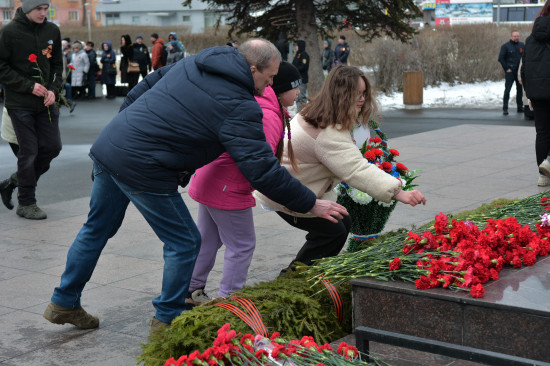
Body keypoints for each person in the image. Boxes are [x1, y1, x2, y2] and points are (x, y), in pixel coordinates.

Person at [43, 39, 348, 335]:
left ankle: (64, 301)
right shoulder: (240, 105)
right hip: (145, 166)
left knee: (95, 229)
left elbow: (142, 88)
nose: (269, 86)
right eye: (268, 78)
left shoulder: (193, 63)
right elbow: (262, 170)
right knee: (185, 241)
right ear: (253, 68)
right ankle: (168, 319)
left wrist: (128, 131)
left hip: (113, 145)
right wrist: (311, 202)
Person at [255, 65, 426, 275]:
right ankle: (297, 277)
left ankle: (307, 272)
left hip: (292, 188)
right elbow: (355, 169)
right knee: (333, 229)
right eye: (355, 94)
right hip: (287, 195)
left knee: (339, 222)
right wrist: (399, 192)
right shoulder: (327, 131)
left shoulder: (318, 111)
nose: (362, 99)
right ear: (340, 94)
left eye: (364, 93)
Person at [185, 61, 302, 306]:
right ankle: (230, 303)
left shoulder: (257, 102)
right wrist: (288, 198)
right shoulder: (268, 115)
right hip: (227, 186)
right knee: (242, 245)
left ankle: (190, 290)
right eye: (295, 87)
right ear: (279, 90)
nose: (299, 92)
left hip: (210, 178)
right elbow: (262, 165)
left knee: (208, 239)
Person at [0, 0, 63, 220]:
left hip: (46, 102)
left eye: (46, 9)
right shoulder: (9, 32)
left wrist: (54, 89)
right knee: (30, 151)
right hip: (19, 104)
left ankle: (14, 182)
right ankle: (26, 203)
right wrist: (28, 86)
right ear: (27, 9)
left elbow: (57, 65)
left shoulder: (52, 30)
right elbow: (2, 67)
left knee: (53, 146)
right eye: (39, 9)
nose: (43, 13)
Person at [521, 3, 550, 187]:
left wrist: (530, 93)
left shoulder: (530, 39)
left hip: (538, 94)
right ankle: (549, 162)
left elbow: (524, 70)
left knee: (542, 133)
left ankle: (543, 175)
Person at [498, 30, 524, 116]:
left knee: (520, 90)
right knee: (507, 90)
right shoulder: (506, 46)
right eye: (515, 36)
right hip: (510, 71)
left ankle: (520, 107)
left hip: (519, 72)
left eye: (518, 36)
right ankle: (505, 108)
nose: (516, 38)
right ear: (511, 37)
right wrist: (507, 68)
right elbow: (501, 58)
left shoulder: (522, 45)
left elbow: (525, 57)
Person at [292, 40, 309, 110]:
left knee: (302, 97)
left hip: (302, 79)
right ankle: (299, 111)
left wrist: (295, 69)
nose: (296, 47)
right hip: (297, 79)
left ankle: (303, 112)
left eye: (297, 45)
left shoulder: (304, 55)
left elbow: (303, 66)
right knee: (297, 97)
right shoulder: (297, 54)